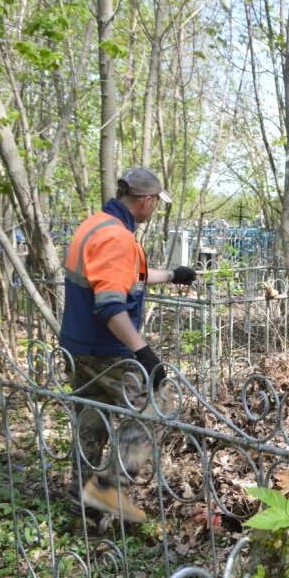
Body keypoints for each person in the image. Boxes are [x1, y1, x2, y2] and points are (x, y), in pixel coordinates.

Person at [59, 167, 197, 522]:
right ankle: (109, 489)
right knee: (158, 404)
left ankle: (83, 508)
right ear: (146, 201)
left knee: (92, 421)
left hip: (78, 346)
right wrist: (145, 353)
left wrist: (171, 275)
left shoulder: (95, 225)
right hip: (106, 350)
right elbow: (109, 306)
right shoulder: (117, 238)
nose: (154, 210)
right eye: (155, 204)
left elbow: (121, 274)